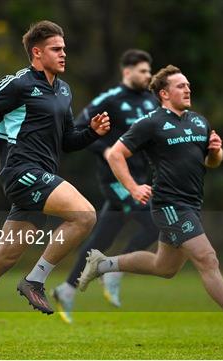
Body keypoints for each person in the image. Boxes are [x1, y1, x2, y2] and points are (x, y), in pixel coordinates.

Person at [0, 20, 110, 354]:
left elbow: (67, 141)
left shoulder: (64, 90)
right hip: (21, 173)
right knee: (85, 215)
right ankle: (36, 279)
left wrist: (92, 133)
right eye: (56, 49)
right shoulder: (18, 84)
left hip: (40, 177)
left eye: (64, 49)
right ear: (36, 53)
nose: (63, 54)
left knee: (5, 256)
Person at [78, 65, 223, 342]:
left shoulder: (199, 121)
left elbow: (212, 162)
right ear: (164, 93)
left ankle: (103, 264)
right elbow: (115, 155)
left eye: (188, 85)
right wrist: (133, 187)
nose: (187, 89)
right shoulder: (150, 123)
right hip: (168, 204)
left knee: (165, 267)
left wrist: (216, 151)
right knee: (207, 258)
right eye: (181, 85)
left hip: (192, 204)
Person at [52, 49, 159, 323]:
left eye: (150, 71)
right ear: (127, 72)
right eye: (143, 71)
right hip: (115, 179)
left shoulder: (151, 101)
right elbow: (78, 127)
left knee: (102, 238)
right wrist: (109, 149)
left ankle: (66, 289)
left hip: (140, 178)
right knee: (153, 224)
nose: (148, 76)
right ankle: (113, 269)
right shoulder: (110, 99)